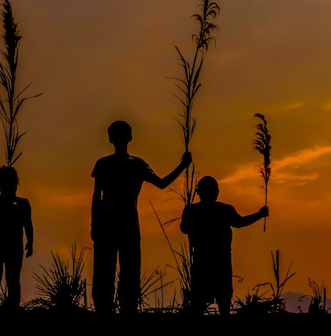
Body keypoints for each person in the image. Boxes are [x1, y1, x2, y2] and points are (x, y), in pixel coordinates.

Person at [90, 120, 192, 315]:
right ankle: (112, 309)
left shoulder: (120, 164)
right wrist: (182, 165)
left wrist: (182, 165)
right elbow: (96, 197)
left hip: (116, 224)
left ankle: (115, 309)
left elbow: (96, 198)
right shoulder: (127, 164)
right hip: (118, 224)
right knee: (116, 271)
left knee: (115, 271)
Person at [179, 175, 269, 316]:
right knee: (221, 304)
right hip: (219, 262)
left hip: (203, 262)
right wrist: (259, 215)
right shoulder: (223, 210)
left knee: (200, 303)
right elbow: (240, 222)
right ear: (217, 192)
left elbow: (184, 228)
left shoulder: (192, 210)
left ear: (198, 193)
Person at [0, 165, 34, 310]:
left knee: (12, 279)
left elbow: (28, 224)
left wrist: (30, 242)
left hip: (13, 246)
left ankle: (12, 306)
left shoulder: (22, 203)